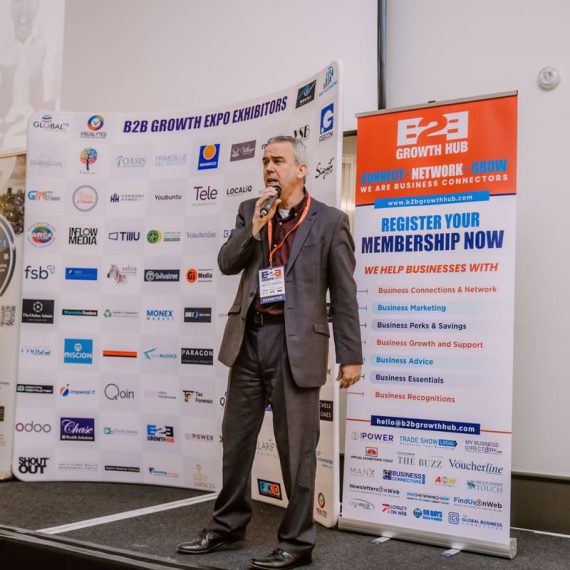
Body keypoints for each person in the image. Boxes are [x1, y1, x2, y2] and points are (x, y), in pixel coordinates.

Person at [177, 135, 362, 569]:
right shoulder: (250, 210)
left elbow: (345, 292)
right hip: (249, 339)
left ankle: (297, 542)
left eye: (278, 160)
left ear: (301, 169)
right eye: (265, 162)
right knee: (236, 441)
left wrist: (350, 354)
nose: (269, 168)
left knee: (297, 450)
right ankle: (227, 526)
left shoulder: (330, 221)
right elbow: (227, 262)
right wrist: (254, 229)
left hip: (295, 345)